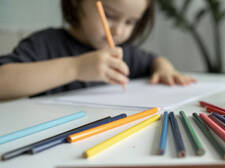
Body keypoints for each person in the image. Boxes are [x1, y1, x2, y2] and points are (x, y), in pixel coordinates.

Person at [0, 0, 195, 100]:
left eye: (130, 22)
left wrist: (165, 69)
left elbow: (155, 60)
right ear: (76, 3)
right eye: (109, 15)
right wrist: (76, 68)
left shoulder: (122, 53)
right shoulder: (45, 43)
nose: (118, 31)